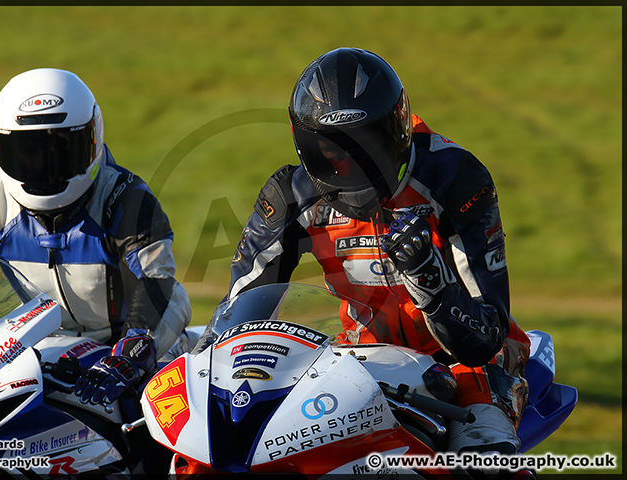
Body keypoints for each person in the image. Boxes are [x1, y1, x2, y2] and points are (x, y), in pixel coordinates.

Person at [228, 48, 533, 479]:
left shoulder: (454, 176)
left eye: (368, 144)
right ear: (307, 145)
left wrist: (432, 283)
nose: (354, 166)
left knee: (484, 460)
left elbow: (486, 335)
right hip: (359, 360)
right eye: (333, 150)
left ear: (397, 128)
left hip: (470, 365)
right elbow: (241, 305)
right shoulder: (291, 194)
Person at [0, 68, 191, 407]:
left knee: (152, 415)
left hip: (136, 349)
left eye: (62, 150)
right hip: (43, 350)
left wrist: (130, 357)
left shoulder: (126, 200)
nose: (46, 168)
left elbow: (155, 282)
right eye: (28, 151)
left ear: (93, 137)